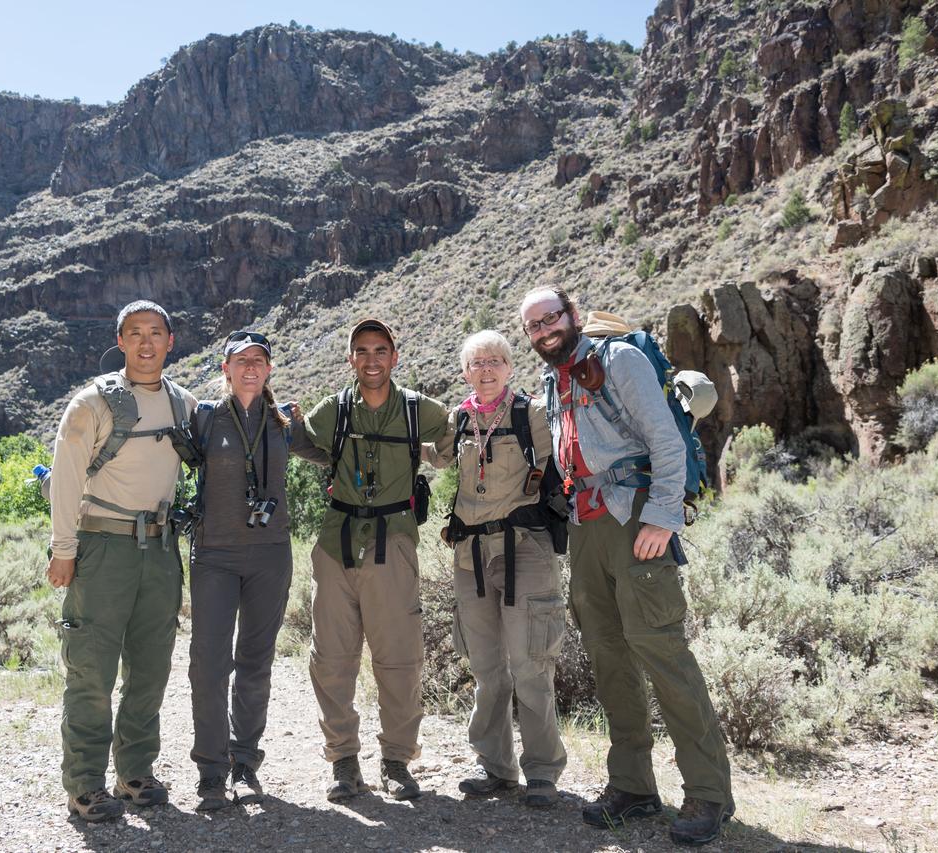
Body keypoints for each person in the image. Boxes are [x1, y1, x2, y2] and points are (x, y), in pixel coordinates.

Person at [519, 286, 734, 846]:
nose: (544, 330)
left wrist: (663, 516)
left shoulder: (619, 359)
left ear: (572, 315)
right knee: (609, 657)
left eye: (551, 318)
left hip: (635, 515)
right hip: (588, 524)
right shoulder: (555, 379)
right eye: (533, 326)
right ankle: (633, 786)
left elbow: (664, 438)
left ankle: (709, 795)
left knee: (662, 651)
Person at [46, 300, 197, 822]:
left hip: (160, 549)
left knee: (150, 667)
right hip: (102, 548)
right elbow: (65, 477)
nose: (146, 343)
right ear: (121, 340)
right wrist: (63, 549)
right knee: (91, 668)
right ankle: (85, 784)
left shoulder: (184, 404)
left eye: (156, 333)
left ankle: (135, 773)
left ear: (170, 341)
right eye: (136, 333)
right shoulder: (91, 403)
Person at [302, 318, 451, 802]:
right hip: (336, 543)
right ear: (350, 359)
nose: (371, 359)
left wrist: (432, 454)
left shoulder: (416, 409)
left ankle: (396, 761)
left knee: (400, 658)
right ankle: (344, 761)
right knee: (332, 658)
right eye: (361, 351)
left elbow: (457, 429)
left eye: (380, 350)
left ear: (394, 356)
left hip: (395, 541)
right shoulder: (335, 409)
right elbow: (301, 440)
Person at [425, 329, 569, 808]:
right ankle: (497, 767)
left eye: (495, 361)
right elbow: (434, 456)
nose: (486, 370)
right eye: (477, 363)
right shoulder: (459, 418)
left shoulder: (533, 415)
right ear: (465, 372)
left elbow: (564, 464)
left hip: (524, 548)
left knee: (530, 662)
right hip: (470, 554)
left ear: (510, 367)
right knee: (486, 666)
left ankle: (543, 772)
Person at [187, 330, 328, 811]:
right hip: (214, 555)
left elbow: (330, 452)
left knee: (255, 661)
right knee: (208, 664)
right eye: (240, 359)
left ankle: (244, 763)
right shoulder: (204, 418)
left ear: (269, 369)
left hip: (270, 553)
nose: (250, 367)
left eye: (259, 360)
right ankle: (210, 771)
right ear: (225, 368)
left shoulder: (285, 420)